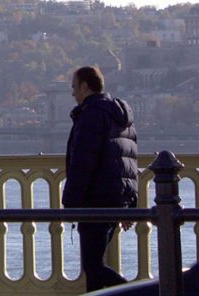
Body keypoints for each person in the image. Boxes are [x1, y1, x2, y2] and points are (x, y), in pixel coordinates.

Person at [63, 65, 139, 291]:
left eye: (74, 87)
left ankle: (142, 293)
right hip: (114, 200)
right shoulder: (120, 116)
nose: (73, 93)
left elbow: (83, 164)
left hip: (94, 201)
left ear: (85, 87)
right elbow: (129, 163)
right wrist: (129, 205)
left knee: (94, 266)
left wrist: (71, 204)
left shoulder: (92, 116)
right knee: (95, 271)